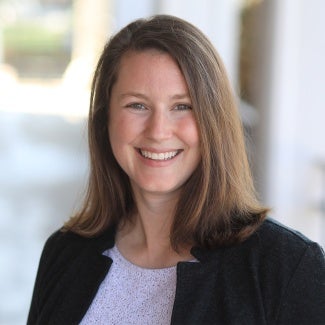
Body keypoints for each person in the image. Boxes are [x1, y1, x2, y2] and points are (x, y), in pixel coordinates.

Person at [27, 15, 324, 324]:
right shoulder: (65, 253)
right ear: (105, 119)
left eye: (182, 106)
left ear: (213, 121)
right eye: (137, 105)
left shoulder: (286, 268)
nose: (158, 131)